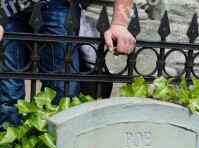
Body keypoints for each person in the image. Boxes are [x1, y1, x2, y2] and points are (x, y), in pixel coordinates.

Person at [0, 0, 136, 126]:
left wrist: (120, 23)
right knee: (7, 95)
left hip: (56, 4)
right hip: (7, 5)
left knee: (63, 95)